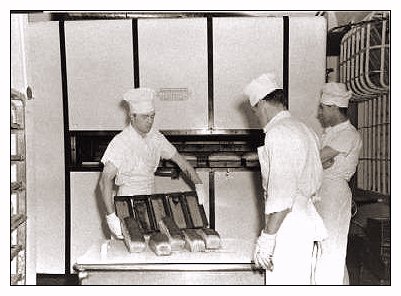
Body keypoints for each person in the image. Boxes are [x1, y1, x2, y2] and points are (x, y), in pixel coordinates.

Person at [244, 73, 327, 285]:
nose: (256, 117)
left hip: (288, 227)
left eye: (254, 111)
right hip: (304, 222)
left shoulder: (278, 133)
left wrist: (268, 238)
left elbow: (282, 197)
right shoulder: (304, 129)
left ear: (262, 104)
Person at [99, 87, 207, 239]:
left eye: (152, 116)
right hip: (126, 203)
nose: (150, 121)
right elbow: (105, 181)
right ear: (132, 116)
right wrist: (111, 216)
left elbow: (182, 163)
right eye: (145, 117)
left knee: (154, 245)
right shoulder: (121, 142)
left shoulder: (156, 138)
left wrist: (198, 184)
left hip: (152, 203)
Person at [314, 82, 363, 285]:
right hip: (322, 191)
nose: (320, 113)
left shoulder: (348, 134)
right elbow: (318, 161)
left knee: (331, 248)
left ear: (334, 107)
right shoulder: (331, 133)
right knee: (322, 248)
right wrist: (321, 163)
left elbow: (315, 158)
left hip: (334, 194)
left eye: (323, 108)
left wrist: (321, 162)